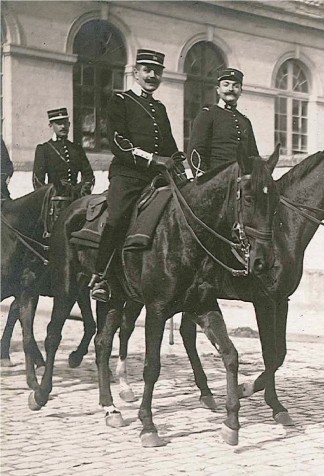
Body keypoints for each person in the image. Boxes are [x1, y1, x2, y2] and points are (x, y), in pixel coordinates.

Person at [89, 49, 186, 303]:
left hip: (158, 178)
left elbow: (169, 144)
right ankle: (102, 276)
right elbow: (118, 143)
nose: (152, 75)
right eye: (147, 70)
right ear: (136, 72)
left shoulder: (160, 108)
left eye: (157, 71)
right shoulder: (120, 100)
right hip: (129, 175)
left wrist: (178, 164)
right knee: (118, 215)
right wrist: (154, 159)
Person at [187, 67, 259, 176]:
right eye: (226, 85)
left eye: (236, 86)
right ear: (218, 89)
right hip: (216, 180)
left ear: (241, 91)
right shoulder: (207, 115)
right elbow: (195, 151)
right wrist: (204, 179)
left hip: (241, 181)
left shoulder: (245, 121)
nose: (231, 89)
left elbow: (253, 156)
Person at [32, 107, 95, 196]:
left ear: (69, 124)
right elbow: (38, 180)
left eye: (65, 123)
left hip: (75, 196)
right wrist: (48, 196)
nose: (63, 127)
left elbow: (88, 175)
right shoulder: (44, 149)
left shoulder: (77, 148)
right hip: (55, 198)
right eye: (58, 123)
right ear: (50, 125)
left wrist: (82, 192)